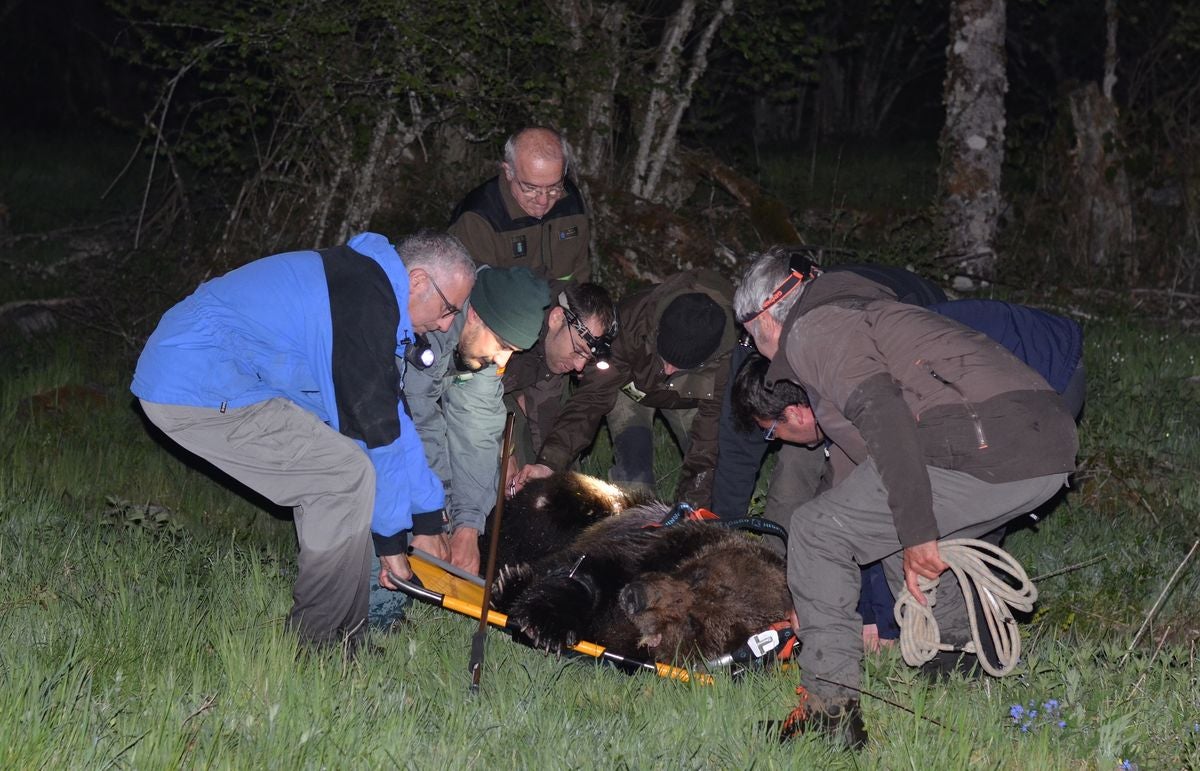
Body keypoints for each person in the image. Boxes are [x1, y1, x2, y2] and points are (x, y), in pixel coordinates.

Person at [732, 250, 1078, 748]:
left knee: (818, 529)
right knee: (874, 524)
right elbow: (862, 469)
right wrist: (813, 586)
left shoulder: (814, 330)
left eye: (748, 335)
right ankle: (953, 661)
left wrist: (918, 533)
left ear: (764, 316)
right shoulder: (856, 314)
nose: (754, 347)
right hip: (1041, 441)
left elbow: (887, 421)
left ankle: (828, 714)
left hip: (985, 441)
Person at [131, 231, 475, 655]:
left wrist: (426, 520)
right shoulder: (363, 303)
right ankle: (317, 643)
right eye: (447, 310)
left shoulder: (371, 291)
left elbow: (395, 422)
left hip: (228, 379)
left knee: (345, 471)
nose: (445, 326)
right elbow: (377, 434)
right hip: (193, 380)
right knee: (341, 476)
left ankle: (345, 634)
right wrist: (392, 547)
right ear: (419, 280)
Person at [511, 269, 736, 508]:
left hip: (689, 396)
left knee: (714, 471)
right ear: (657, 332)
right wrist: (550, 463)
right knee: (635, 480)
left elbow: (708, 444)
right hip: (630, 387)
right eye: (665, 358)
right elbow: (591, 400)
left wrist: (691, 511)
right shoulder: (631, 322)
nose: (668, 371)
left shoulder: (725, 362)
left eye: (679, 366)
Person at [402, 266, 551, 578]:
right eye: (502, 346)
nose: (502, 361)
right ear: (474, 317)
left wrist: (468, 527)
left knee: (488, 454)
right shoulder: (428, 322)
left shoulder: (480, 346)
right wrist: (437, 520)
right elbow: (420, 425)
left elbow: (477, 432)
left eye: (513, 352)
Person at [502, 282, 618, 474]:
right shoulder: (512, 322)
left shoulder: (554, 353)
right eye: (578, 350)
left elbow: (548, 424)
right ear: (556, 318)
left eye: (587, 358)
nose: (579, 367)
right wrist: (504, 455)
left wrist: (547, 469)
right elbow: (470, 396)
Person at [449, 126, 590, 284]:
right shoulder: (478, 218)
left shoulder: (571, 202)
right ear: (509, 172)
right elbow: (473, 293)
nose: (543, 201)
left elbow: (581, 273)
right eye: (530, 188)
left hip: (564, 306)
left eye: (553, 187)